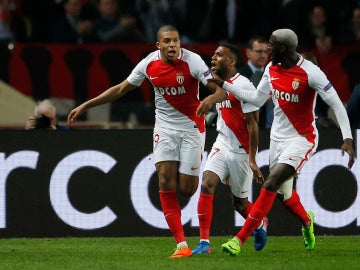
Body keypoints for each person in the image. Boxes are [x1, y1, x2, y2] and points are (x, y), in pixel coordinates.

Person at [67, 24, 227, 258]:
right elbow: (121, 88)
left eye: (176, 40)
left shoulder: (193, 62)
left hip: (192, 126)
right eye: (167, 41)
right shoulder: (148, 64)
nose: (173, 45)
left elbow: (220, 90)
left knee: (187, 189)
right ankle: (181, 245)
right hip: (164, 127)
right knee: (164, 179)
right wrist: (86, 105)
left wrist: (211, 99)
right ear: (158, 45)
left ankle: (197, 237)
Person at [199, 28, 355, 256]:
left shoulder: (311, 73)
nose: (267, 49)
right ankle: (307, 222)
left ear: (283, 48)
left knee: (270, 183)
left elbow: (337, 104)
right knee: (284, 194)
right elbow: (256, 99)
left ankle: (239, 240)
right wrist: (225, 84)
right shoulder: (271, 69)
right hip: (277, 138)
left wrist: (347, 137)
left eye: (270, 45)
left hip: (302, 139)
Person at [192, 42, 267, 255]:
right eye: (213, 54)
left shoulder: (244, 86)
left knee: (240, 205)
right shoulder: (219, 84)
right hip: (222, 143)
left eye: (219, 55)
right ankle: (204, 243)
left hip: (241, 152)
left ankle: (260, 223)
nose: (213, 58)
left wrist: (252, 160)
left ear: (231, 61)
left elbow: (253, 125)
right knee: (207, 184)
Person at [238, 36, 273, 129]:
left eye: (266, 52)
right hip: (244, 128)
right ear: (248, 53)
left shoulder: (273, 75)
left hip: (268, 131)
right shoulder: (238, 74)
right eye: (259, 51)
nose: (263, 55)